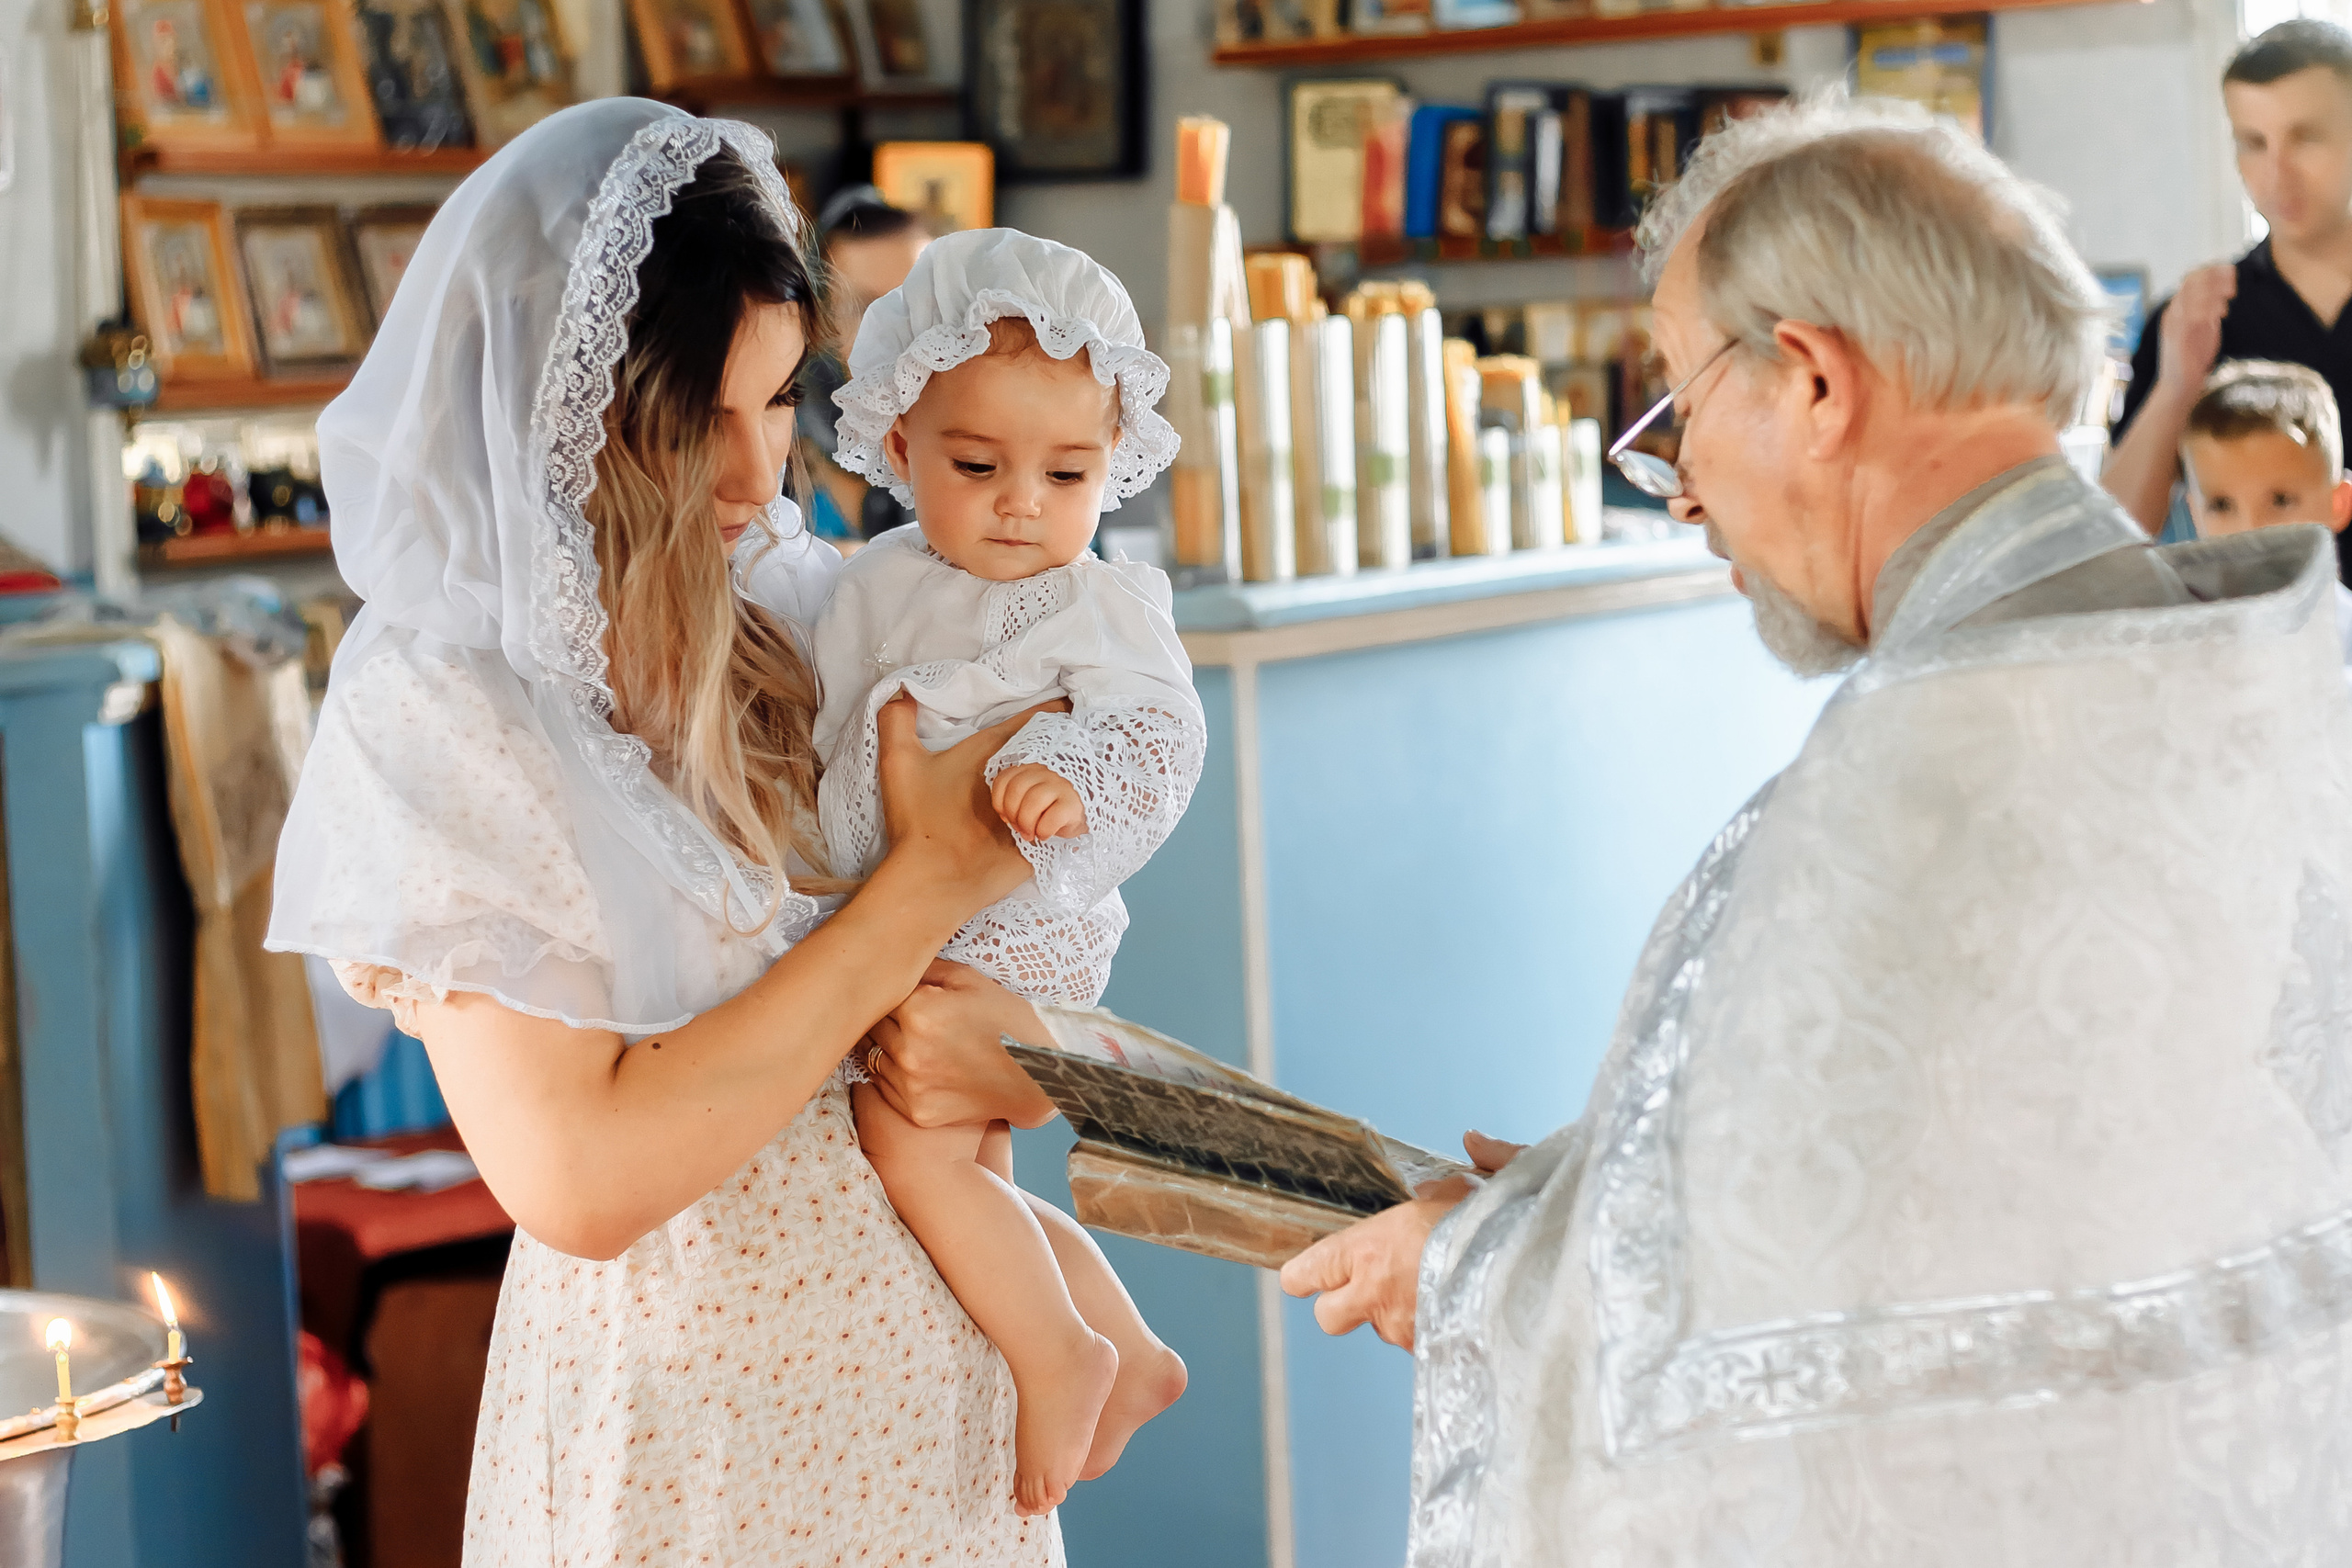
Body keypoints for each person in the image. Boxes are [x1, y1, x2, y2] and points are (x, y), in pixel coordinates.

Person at [1281, 93, 2352, 1563]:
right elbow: (2047, 1189)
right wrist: (1642, 1176)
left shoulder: (1923, 772)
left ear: (1813, 383)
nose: (1685, 485)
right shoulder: (2251, 662)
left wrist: (1469, 1265)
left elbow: (1769, 1388)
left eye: (1677, 406)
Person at [267, 100, 1075, 1562]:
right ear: (558, 404)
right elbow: (582, 1175)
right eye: (696, 418)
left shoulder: (812, 608)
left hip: (938, 1418)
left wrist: (1005, 1033)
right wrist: (918, 893)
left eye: (777, 402)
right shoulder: (449, 702)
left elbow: (983, 1000)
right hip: (683, 1452)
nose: (762, 474)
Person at [812, 228, 1200, 1516]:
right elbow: (829, 725)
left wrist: (1072, 777)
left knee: (905, 1142)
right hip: (905, 912)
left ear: (1115, 463)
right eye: (978, 465)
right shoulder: (873, 582)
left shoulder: (1100, 600)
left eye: (1069, 470)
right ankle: (1124, 1347)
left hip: (1015, 913)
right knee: (967, 1172)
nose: (1024, 502)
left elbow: (1160, 732)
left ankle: (1061, 1353)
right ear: (900, 445)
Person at [2106, 18, 2352, 586]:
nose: (2277, 172)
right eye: (2254, 143)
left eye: (2305, 137)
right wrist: (2175, 387)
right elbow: (2115, 538)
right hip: (2259, 652)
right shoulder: (2199, 320)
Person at [2182, 358, 2352, 676]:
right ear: (2195, 513)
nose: (2251, 531)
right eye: (2221, 505)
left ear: (2339, 504)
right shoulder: (2180, 653)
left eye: (2281, 501)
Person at [800, 186, 929, 540]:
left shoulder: (1002, 452)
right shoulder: (774, 466)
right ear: (823, 325)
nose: (895, 336)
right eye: (862, 309)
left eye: (914, 305)